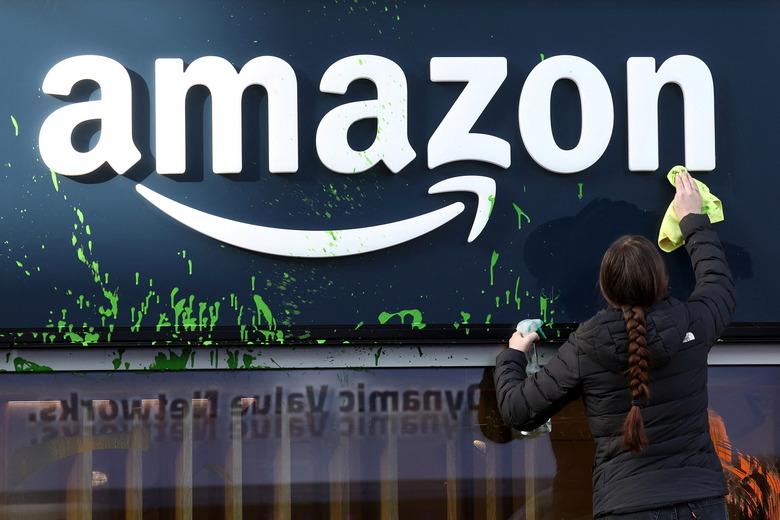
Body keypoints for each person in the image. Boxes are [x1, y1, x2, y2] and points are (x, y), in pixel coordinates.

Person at [494, 169, 736, 519]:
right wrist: (693, 220)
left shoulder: (585, 346)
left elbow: (518, 410)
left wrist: (513, 357)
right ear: (663, 283)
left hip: (625, 506)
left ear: (606, 290)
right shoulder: (694, 323)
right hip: (701, 502)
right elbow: (717, 281)